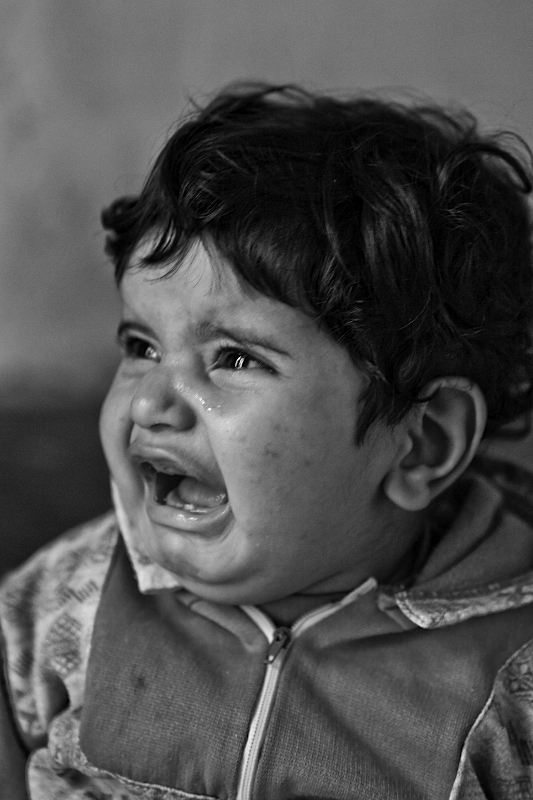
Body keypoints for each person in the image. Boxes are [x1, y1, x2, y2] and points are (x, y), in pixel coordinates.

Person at [1, 83, 533, 800]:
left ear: (421, 443)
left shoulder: (511, 676)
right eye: (140, 345)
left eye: (234, 358)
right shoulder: (72, 597)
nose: (150, 403)